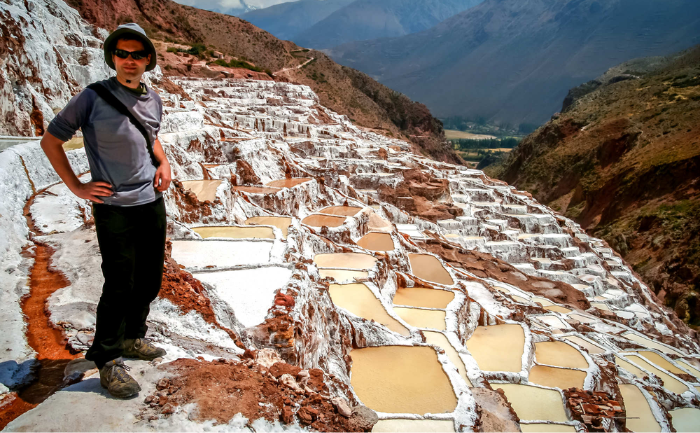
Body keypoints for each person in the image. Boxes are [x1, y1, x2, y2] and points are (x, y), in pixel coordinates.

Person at [40, 23, 171, 399]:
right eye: (122, 53)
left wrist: (163, 163)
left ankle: (132, 338)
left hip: (150, 201)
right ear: (112, 57)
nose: (130, 60)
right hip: (114, 207)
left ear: (148, 60)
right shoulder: (93, 97)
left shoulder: (152, 98)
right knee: (119, 283)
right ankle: (108, 358)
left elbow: (151, 136)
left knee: (149, 279)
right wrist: (77, 186)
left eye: (137, 54)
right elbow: (51, 141)